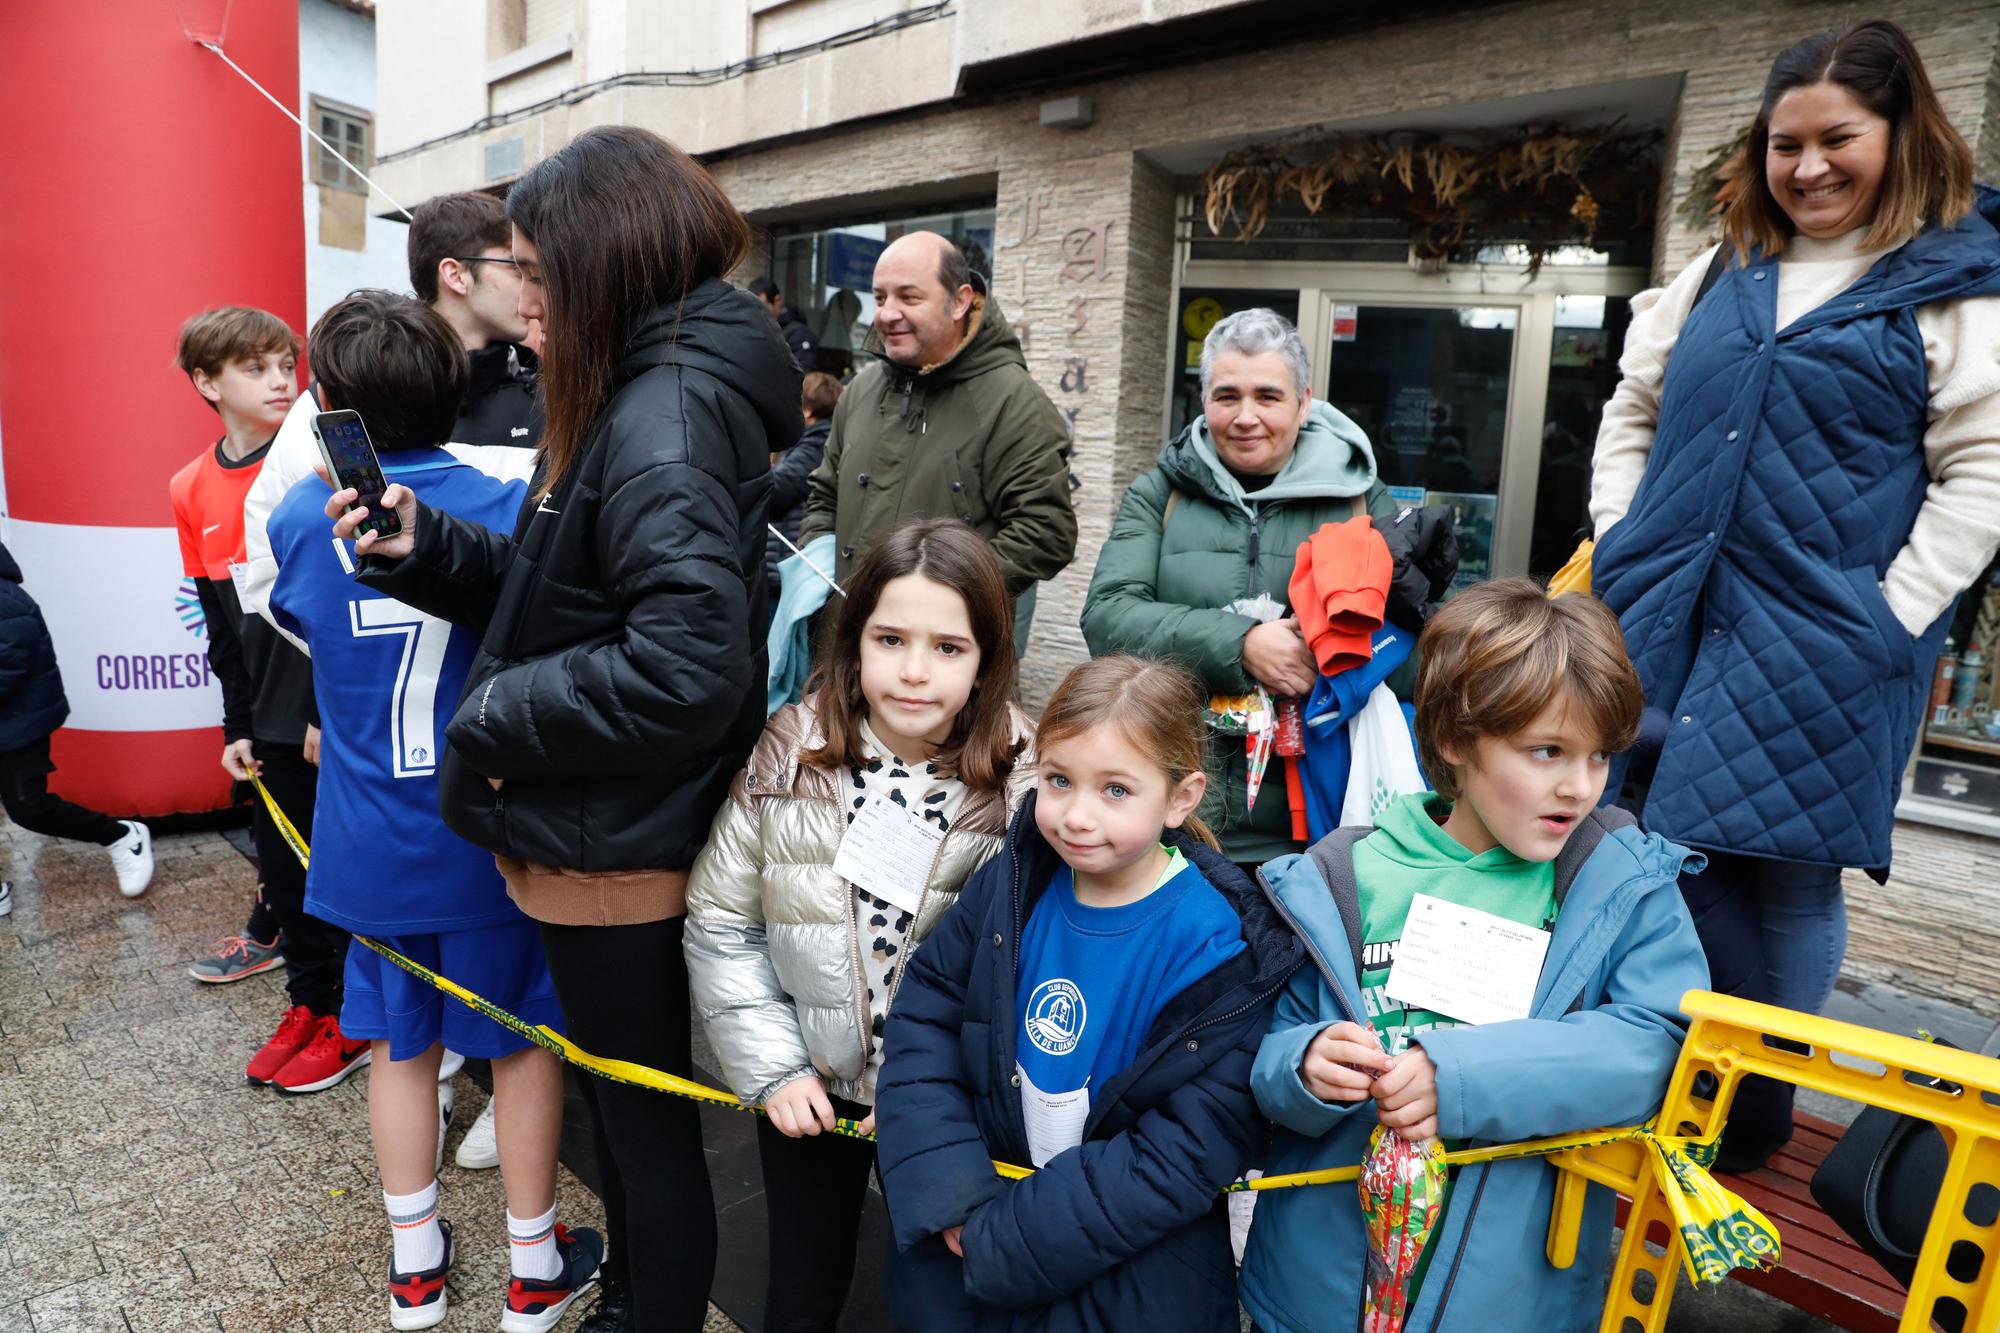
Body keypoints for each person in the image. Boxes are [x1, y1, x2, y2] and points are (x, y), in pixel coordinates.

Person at [325, 124, 799, 1333]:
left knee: (640, 1123)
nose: (519, 294)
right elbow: (563, 587)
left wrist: (493, 714)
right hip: (604, 822)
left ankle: (648, 1313)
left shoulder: (665, 416)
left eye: (533, 267)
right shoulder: (643, 388)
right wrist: (427, 549)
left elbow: (684, 666)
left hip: (617, 840)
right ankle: (632, 1299)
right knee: (621, 1112)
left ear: (597, 263)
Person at [1587, 19, 2000, 1170]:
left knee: (1789, 875)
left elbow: (1982, 472)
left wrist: (1889, 613)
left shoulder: (1954, 284)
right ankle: (1655, 1088)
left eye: (1837, 139)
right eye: (1784, 144)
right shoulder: (1718, 269)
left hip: (1830, 641)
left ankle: (1751, 1121)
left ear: (1900, 133)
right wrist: (1619, 537)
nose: (1807, 166)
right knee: (1644, 858)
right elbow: (1629, 410)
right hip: (1666, 625)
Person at [1237, 580, 1709, 1333]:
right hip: (1316, 1291)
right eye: (1547, 750)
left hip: (1509, 1298)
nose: (1578, 786)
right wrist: (1305, 1066)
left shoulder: (1618, 878)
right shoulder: (1341, 876)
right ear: (1456, 741)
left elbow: (1660, 1045)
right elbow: (1262, 1052)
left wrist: (1458, 1076)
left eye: (1596, 756)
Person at [266, 291, 593, 1333]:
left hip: (368, 839)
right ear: (455, 385)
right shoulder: (504, 503)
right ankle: (532, 1268)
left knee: (396, 1046)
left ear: (329, 403)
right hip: (488, 834)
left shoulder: (297, 520)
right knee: (522, 1042)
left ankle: (416, 1269)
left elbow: (302, 635)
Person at [874, 655, 1302, 1333]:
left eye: (1115, 791)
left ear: (1181, 797)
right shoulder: (1015, 884)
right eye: (1058, 780)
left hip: (1134, 1279)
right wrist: (950, 1193)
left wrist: (1006, 1238)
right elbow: (925, 1014)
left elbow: (1185, 1146)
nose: (1076, 814)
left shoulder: (1222, 946)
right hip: (969, 1238)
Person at [686, 518, 1033, 1333]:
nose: (914, 670)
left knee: (945, 1289)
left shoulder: (1025, 778)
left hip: (946, 1103)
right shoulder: (791, 748)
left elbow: (1027, 956)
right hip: (812, 1085)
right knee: (802, 1282)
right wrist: (774, 1068)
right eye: (891, 638)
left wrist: (935, 1085)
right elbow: (721, 921)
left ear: (987, 657)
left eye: (949, 647)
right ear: (853, 641)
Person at [1081, 308, 1392, 870]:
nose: (1246, 417)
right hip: (1174, 815)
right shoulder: (1161, 493)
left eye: (1268, 397)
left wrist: (1328, 647)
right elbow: (1106, 617)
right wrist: (1241, 645)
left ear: (1303, 402)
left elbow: (1412, 642)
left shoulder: (1361, 500)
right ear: (1204, 401)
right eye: (1227, 396)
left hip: (1320, 825)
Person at [169, 306, 360, 1092]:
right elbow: (222, 623)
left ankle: (354, 1016)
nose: (282, 379)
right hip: (271, 725)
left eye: (287, 363)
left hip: (335, 711)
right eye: (256, 367)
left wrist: (325, 708)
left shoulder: (322, 459)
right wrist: (236, 725)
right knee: (284, 874)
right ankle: (309, 1002)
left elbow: (345, 605)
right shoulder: (190, 485)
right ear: (205, 383)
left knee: (343, 870)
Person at [799, 231, 1076, 645]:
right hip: (840, 653)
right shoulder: (860, 390)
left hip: (946, 669)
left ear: (961, 301)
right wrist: (819, 577)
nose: (887, 314)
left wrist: (941, 598)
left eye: (908, 298)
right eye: (879, 298)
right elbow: (824, 496)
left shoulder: (1013, 401)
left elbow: (1046, 532)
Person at [0, 539, 152, 899]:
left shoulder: (5, 598)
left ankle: (121, 836)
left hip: (20, 723)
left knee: (28, 808)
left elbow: (11, 658)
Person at [764, 370, 840, 601]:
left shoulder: (816, 443)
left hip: (787, 564)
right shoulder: (809, 441)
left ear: (806, 410)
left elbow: (777, 491)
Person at [750, 275, 817, 373]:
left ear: (777, 301)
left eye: (762, 305)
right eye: (752, 306)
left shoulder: (799, 333)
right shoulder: (755, 328)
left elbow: (802, 371)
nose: (757, 311)